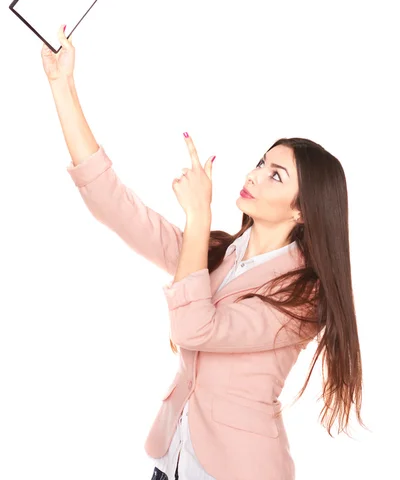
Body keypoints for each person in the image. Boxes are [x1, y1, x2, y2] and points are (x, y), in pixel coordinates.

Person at [41, 26, 367, 480]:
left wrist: (198, 217)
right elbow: (114, 207)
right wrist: (63, 87)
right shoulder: (218, 255)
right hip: (170, 459)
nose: (254, 176)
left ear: (303, 211)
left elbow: (195, 329)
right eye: (260, 163)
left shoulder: (305, 297)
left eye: (276, 176)